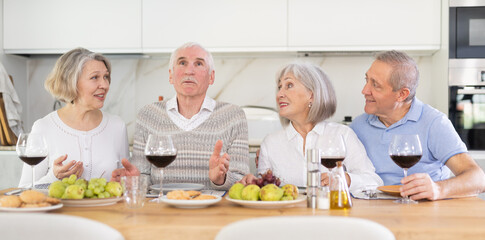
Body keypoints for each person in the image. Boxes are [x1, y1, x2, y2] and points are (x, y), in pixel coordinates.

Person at [351, 50, 485, 200]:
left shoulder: (434, 123)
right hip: (372, 214)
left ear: (402, 94)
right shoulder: (358, 126)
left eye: (375, 85)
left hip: (423, 214)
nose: (364, 91)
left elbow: (478, 179)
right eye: (366, 80)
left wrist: (438, 189)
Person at [239, 63, 383, 193]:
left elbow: (374, 181)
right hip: (287, 218)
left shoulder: (342, 135)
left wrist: (347, 179)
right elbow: (266, 190)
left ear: (312, 95)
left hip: (332, 217)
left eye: (289, 85)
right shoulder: (270, 143)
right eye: (279, 87)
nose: (280, 94)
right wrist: (255, 183)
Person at [131, 42, 249, 190]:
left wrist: (220, 179)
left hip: (213, 210)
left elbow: (241, 181)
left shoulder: (233, 116)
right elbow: (141, 177)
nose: (189, 71)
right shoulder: (148, 115)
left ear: (211, 77)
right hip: (161, 209)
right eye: (182, 63)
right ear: (171, 75)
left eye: (199, 64)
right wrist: (133, 180)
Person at [18, 48, 137, 188]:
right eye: (95, 77)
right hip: (61, 211)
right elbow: (24, 190)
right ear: (71, 82)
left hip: (107, 210)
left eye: (106, 77)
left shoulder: (117, 126)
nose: (105, 85)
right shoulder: (44, 127)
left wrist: (125, 182)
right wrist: (54, 177)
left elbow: (126, 183)